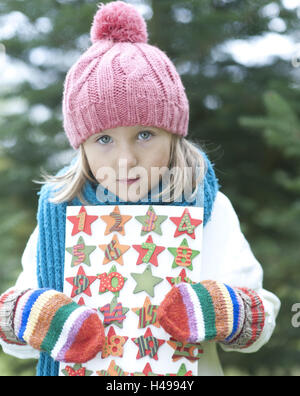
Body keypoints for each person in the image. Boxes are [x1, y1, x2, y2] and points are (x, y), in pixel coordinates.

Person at [0, 1, 280, 376]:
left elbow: (260, 318)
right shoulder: (60, 213)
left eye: (145, 134)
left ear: (173, 135)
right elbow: (11, 340)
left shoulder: (206, 207)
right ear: (80, 145)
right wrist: (34, 317)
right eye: (103, 139)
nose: (126, 158)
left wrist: (218, 310)